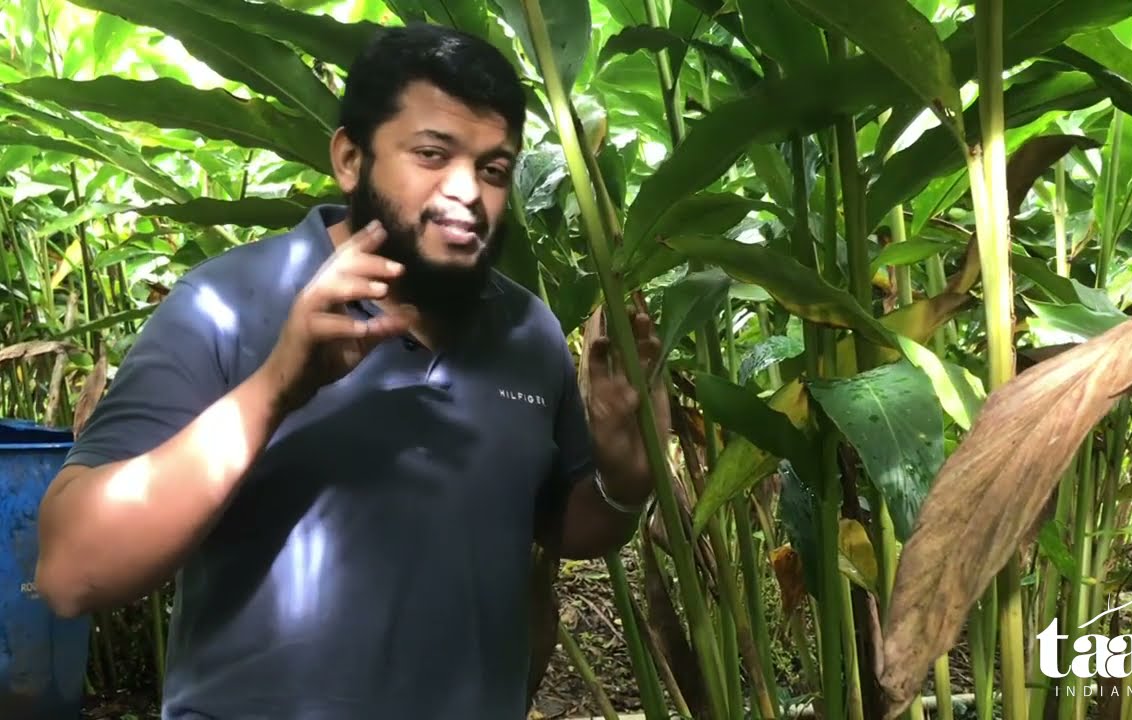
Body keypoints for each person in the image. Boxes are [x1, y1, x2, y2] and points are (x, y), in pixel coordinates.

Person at [33, 21, 668, 719]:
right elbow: (71, 572)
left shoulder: (529, 333)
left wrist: (625, 480)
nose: (467, 192)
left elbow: (561, 527)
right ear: (349, 158)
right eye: (432, 154)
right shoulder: (225, 304)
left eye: (493, 169)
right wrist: (278, 385)